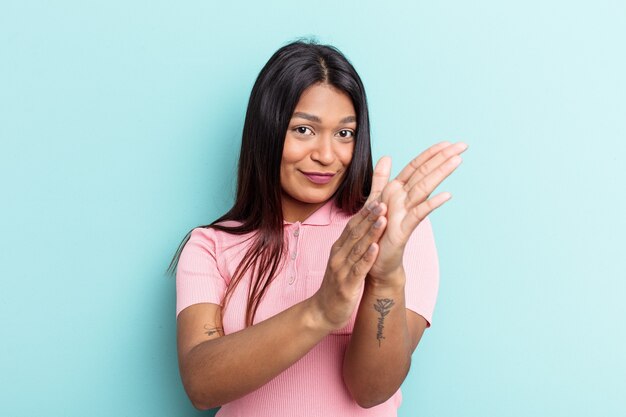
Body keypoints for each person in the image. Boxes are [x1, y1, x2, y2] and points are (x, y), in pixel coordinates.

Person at [168, 39, 467, 417]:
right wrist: (321, 310)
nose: (327, 155)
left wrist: (385, 277)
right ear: (267, 130)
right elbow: (201, 384)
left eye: (345, 134)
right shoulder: (211, 245)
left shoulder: (396, 231)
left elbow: (371, 389)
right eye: (304, 130)